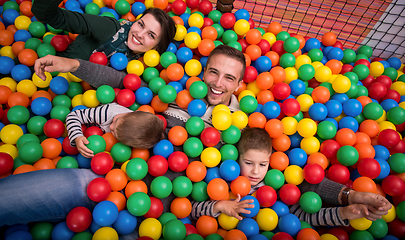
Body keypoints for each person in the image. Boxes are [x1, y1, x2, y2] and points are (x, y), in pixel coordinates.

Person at [190, 128, 391, 226]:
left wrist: (343, 214)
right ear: (236, 159)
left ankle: (354, 197)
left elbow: (304, 217)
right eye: (248, 163)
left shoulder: (278, 189)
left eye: (263, 165)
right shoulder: (224, 184)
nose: (255, 172)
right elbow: (193, 209)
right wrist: (221, 206)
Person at [32, 0, 176, 88]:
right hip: (46, 77)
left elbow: (130, 85)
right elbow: (48, 15)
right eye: (140, 24)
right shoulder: (110, 29)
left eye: (151, 35)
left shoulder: (147, 68)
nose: (139, 34)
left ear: (157, 47)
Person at [65, 103, 164, 158]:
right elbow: (73, 116)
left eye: (115, 134)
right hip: (88, 124)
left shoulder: (129, 137)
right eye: (116, 120)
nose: (111, 127)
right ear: (134, 112)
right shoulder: (109, 112)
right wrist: (77, 137)